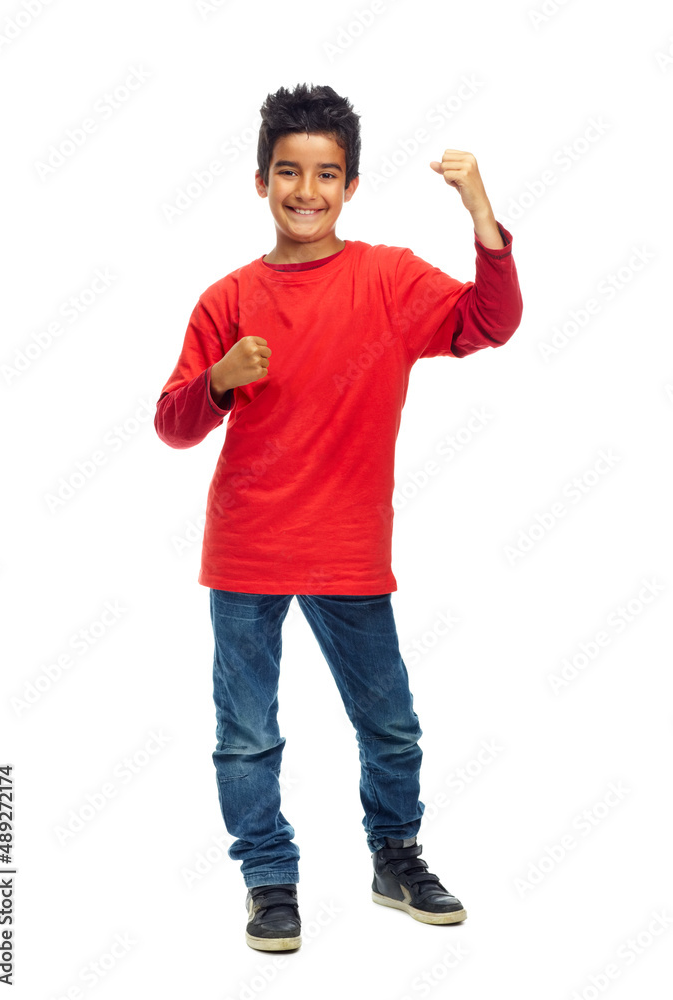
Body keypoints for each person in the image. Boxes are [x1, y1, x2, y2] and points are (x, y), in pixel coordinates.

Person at [154, 82, 522, 952]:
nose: (306, 191)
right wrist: (218, 381)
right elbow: (173, 424)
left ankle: (395, 854)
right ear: (260, 182)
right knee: (247, 735)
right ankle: (268, 877)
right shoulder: (227, 298)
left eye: (326, 175)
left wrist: (481, 213)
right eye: (288, 172)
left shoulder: (389, 279)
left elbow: (491, 321)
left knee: (388, 720)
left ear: (351, 185)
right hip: (246, 547)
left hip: (349, 551)